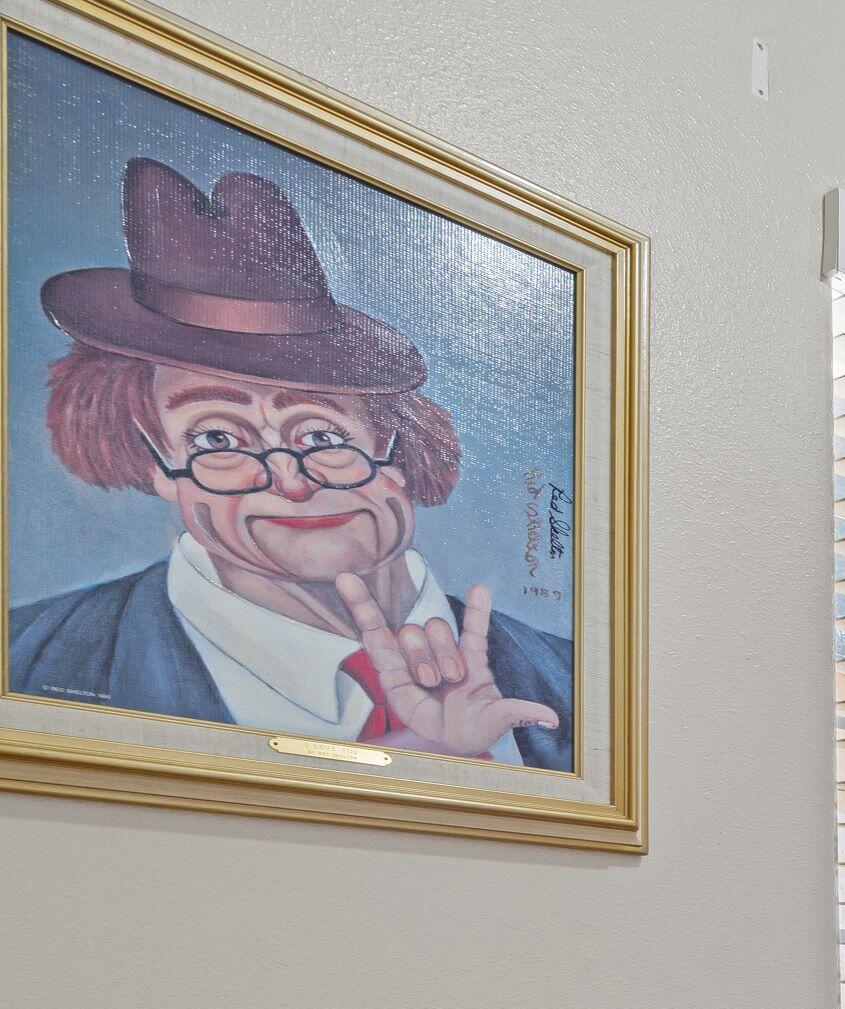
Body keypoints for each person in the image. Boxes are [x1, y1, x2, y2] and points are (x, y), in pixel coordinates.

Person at [8, 157, 570, 769]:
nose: (289, 481)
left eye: (321, 434)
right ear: (153, 463)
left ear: (395, 446)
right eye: (217, 441)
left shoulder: (567, 679)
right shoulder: (28, 661)